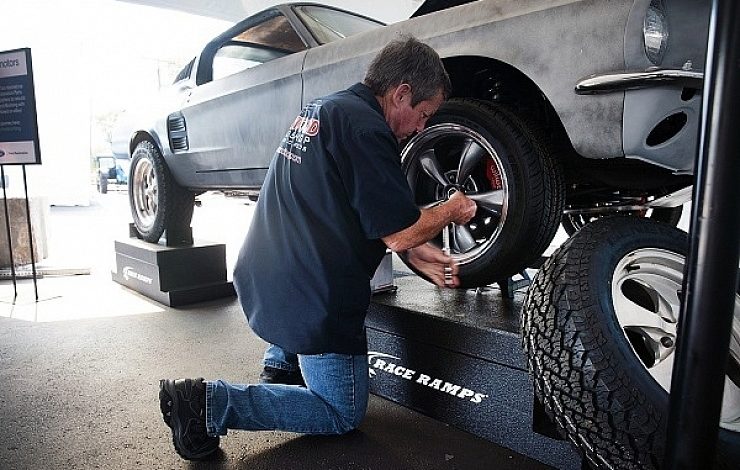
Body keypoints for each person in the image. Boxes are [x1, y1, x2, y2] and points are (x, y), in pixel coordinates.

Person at [158, 35, 477, 461]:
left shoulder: (328, 109)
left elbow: (366, 215)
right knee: (340, 410)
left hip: (265, 276)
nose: (421, 127)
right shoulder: (368, 131)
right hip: (311, 298)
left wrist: (416, 248)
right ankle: (207, 403)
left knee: (310, 302)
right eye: (423, 114)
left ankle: (282, 361)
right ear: (401, 93)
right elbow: (398, 233)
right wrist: (452, 209)